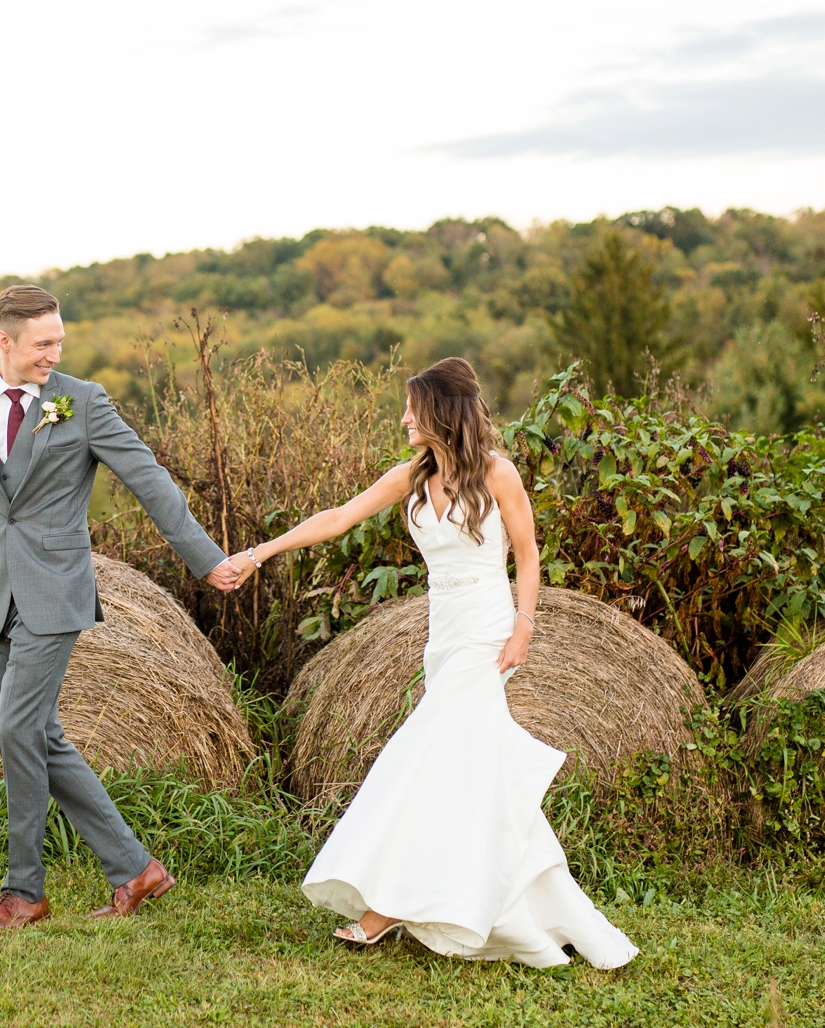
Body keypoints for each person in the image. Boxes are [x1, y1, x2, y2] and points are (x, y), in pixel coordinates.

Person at [222, 357, 638, 968]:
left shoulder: (499, 474)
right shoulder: (413, 477)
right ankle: (536, 906)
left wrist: (525, 627)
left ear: (442, 412)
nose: (403, 419)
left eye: (413, 409)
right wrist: (260, 553)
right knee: (472, 769)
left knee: (425, 751)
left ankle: (387, 906)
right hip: (442, 630)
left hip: (488, 626)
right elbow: (338, 519)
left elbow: (527, 555)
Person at [0, 284, 244, 932]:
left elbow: (147, 478)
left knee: (17, 730)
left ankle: (24, 892)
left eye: (59, 340)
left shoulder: (83, 400)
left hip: (56, 592)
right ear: (3, 341)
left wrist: (206, 557)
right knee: (40, 736)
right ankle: (135, 868)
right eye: (43, 343)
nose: (55, 353)